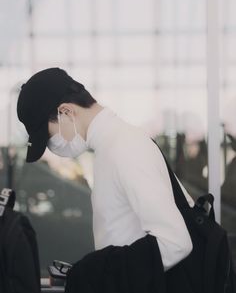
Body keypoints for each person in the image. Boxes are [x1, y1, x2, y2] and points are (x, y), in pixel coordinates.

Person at [17, 67, 194, 272]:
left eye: (49, 137)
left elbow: (175, 243)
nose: (52, 147)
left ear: (66, 111)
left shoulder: (125, 148)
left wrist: (99, 277)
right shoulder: (111, 146)